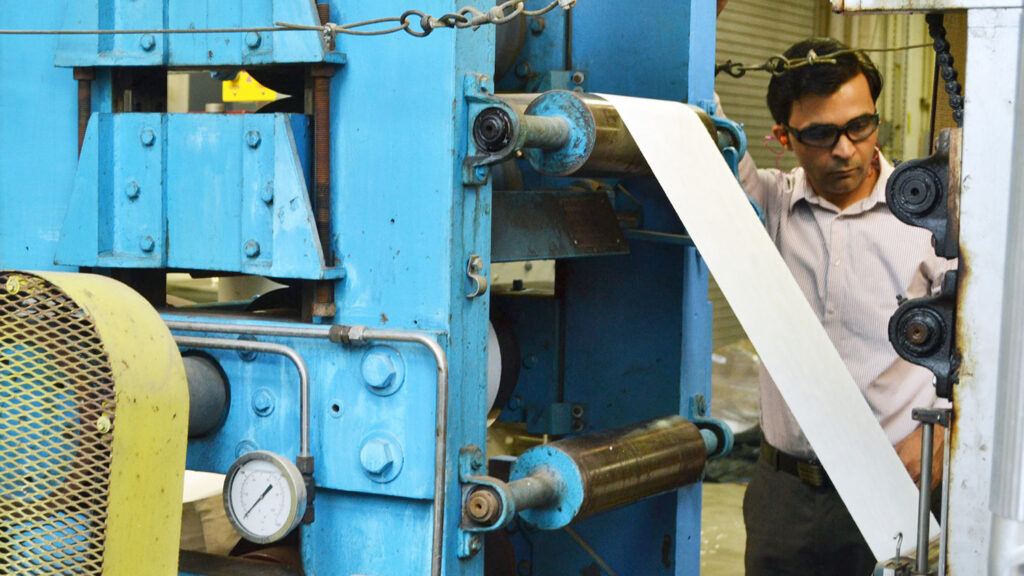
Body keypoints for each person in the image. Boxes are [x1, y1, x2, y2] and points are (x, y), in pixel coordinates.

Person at [728, 38, 952, 575]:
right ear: (783, 136)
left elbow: (987, 342)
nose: (847, 149)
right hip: (785, 492)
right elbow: (699, 131)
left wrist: (945, 430)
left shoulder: (929, 217)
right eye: (821, 135)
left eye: (860, 126)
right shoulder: (769, 204)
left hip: (897, 483)